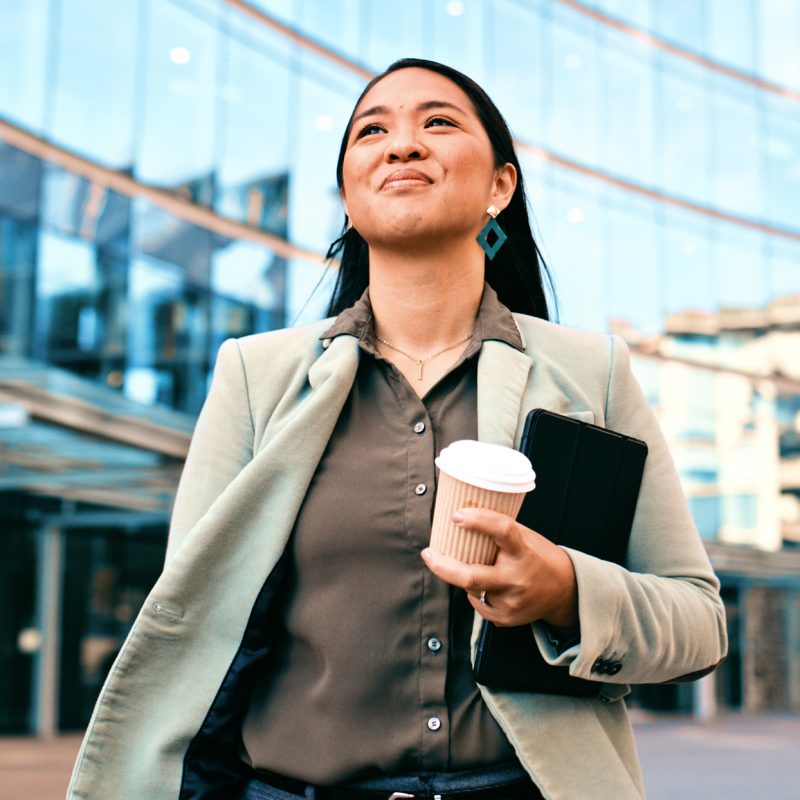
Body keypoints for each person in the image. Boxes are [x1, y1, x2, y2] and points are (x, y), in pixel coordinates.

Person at [68, 58, 727, 800]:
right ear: (348, 195)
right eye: (372, 130)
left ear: (500, 188)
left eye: (438, 123)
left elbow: (698, 623)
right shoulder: (254, 375)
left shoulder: (593, 372)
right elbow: (189, 628)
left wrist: (565, 592)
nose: (402, 144)